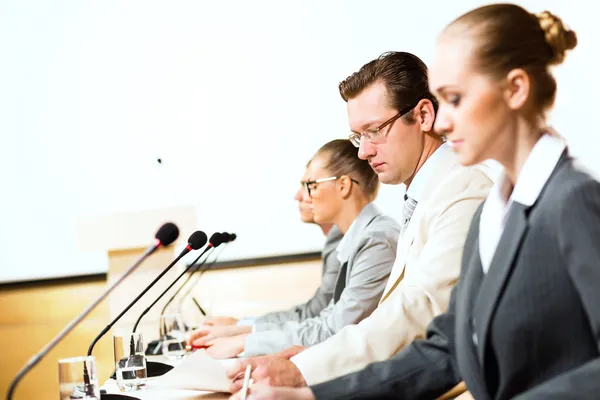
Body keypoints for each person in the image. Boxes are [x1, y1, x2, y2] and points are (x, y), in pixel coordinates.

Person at [237, 4, 598, 400]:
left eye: (455, 99)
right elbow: (448, 351)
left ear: (515, 89)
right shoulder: (493, 214)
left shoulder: (572, 200)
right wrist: (311, 395)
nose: (441, 122)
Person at [227, 51, 493, 393]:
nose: (364, 152)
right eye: (358, 136)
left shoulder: (464, 188)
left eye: (374, 131)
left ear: (424, 115)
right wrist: (312, 358)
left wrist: (304, 369)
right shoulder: (427, 193)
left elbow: (418, 311)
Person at [190, 139, 401, 358]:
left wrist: (246, 342)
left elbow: (335, 330)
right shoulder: (362, 237)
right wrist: (244, 336)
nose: (304, 195)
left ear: (343, 186)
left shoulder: (376, 240)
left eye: (312, 185)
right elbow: (326, 319)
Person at [202, 168, 344, 329]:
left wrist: (242, 328)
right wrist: (242, 326)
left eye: (310, 186)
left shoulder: (342, 242)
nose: (298, 196)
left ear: (343, 187)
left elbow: (314, 314)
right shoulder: (336, 240)